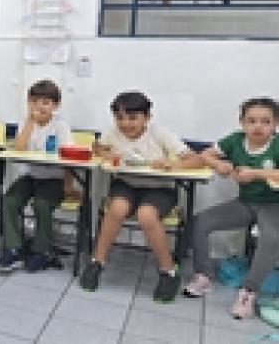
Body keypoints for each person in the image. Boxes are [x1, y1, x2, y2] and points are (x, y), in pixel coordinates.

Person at [79, 91, 202, 303]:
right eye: (119, 118)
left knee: (146, 215)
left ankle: (169, 271)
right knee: (116, 209)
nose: (125, 123)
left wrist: (172, 164)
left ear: (147, 117)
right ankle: (96, 262)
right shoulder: (113, 133)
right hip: (126, 184)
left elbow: (196, 159)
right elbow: (97, 147)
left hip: (160, 188)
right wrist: (108, 155)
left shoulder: (160, 134)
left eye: (133, 117)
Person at [185, 97, 279, 319]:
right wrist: (218, 164)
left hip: (273, 205)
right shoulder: (235, 140)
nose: (258, 126)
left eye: (265, 121)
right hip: (245, 203)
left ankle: (248, 292)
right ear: (242, 123)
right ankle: (203, 276)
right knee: (201, 221)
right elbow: (206, 154)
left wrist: (255, 173)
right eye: (252, 121)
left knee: (271, 238)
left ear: (275, 124)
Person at [0, 80, 78, 273]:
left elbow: (69, 158)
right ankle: (13, 249)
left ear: (56, 105)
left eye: (46, 102)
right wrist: (30, 123)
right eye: (35, 101)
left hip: (54, 179)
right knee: (10, 200)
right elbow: (19, 149)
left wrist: (68, 185)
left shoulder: (60, 127)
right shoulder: (26, 124)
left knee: (41, 203)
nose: (40, 106)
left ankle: (42, 251)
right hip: (32, 176)